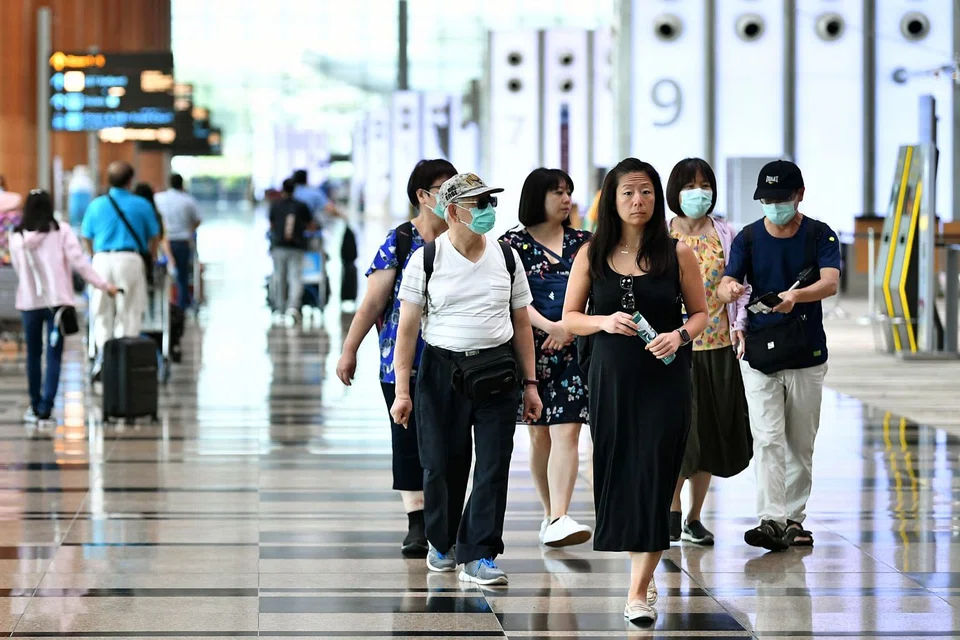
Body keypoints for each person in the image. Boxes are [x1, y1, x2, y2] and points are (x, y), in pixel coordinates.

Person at [562, 158, 708, 624]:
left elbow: (700, 314)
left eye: (645, 192)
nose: (637, 201)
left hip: (665, 381)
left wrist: (679, 336)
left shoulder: (677, 253)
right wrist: (603, 321)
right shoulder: (591, 253)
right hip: (612, 382)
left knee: (655, 475)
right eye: (627, 192)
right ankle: (640, 568)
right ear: (612, 199)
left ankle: (638, 590)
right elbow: (570, 318)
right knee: (621, 474)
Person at [390, 173, 542, 587]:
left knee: (493, 464)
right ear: (454, 211)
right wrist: (402, 391)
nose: (489, 210)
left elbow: (521, 323)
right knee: (441, 465)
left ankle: (480, 552)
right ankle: (442, 542)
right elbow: (407, 331)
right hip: (442, 371)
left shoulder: (507, 257)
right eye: (480, 203)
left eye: (491, 201)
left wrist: (531, 385)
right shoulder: (426, 259)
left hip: (497, 371)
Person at [717, 160, 840, 552]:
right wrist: (729, 289)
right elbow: (726, 282)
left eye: (781, 198)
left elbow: (830, 283)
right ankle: (771, 519)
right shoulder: (749, 238)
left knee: (800, 443)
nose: (774, 206)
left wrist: (795, 297)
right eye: (767, 200)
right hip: (759, 352)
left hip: (806, 353)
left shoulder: (820, 235)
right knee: (768, 438)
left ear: (799, 195)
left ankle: (794, 519)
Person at [336, 158, 456, 557]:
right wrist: (349, 350)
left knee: (450, 439)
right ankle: (417, 521)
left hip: (456, 357)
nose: (452, 195)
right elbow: (372, 303)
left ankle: (446, 517)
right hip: (401, 360)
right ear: (422, 195)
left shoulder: (464, 238)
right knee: (407, 439)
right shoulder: (401, 240)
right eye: (444, 188)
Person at [501, 168, 592, 548]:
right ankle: (548, 513)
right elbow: (510, 297)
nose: (566, 199)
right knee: (539, 436)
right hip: (530, 351)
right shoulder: (511, 245)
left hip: (574, 350)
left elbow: (596, 291)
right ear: (536, 197)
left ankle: (560, 515)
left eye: (568, 191)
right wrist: (549, 327)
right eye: (557, 192)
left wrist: (568, 327)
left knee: (568, 430)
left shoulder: (585, 242)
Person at [665, 158, 753, 546]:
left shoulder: (725, 233)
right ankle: (671, 509)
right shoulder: (662, 234)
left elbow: (739, 283)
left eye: (704, 185)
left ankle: (694, 517)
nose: (698, 193)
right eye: (689, 186)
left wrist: (737, 312)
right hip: (674, 348)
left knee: (710, 434)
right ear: (675, 192)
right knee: (679, 432)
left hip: (717, 346)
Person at [9, 190, 117, 423]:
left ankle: (35, 405)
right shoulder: (61, 231)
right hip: (57, 304)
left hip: (29, 302)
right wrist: (103, 285)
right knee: (55, 355)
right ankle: (46, 406)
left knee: (33, 355)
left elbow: (18, 269)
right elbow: (80, 263)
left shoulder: (16, 237)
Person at [81, 161, 160, 377]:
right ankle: (125, 357)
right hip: (130, 258)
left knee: (101, 310)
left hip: (101, 260)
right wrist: (151, 257)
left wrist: (93, 255)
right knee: (130, 309)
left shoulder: (96, 205)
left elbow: (86, 236)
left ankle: (104, 356)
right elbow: (154, 235)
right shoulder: (142, 205)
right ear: (130, 181)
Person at [269, 178, 315, 323]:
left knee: (279, 277)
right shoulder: (301, 206)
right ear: (294, 189)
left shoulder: (275, 205)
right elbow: (310, 225)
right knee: (295, 277)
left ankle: (280, 308)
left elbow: (272, 225)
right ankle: (293, 307)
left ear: (282, 189)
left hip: (279, 247)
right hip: (297, 247)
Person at [154, 174, 201, 310]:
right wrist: (188, 230)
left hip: (163, 242)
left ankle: (166, 307)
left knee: (163, 276)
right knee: (182, 276)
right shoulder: (188, 200)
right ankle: (181, 307)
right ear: (182, 185)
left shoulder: (158, 198)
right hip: (182, 241)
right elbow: (198, 220)